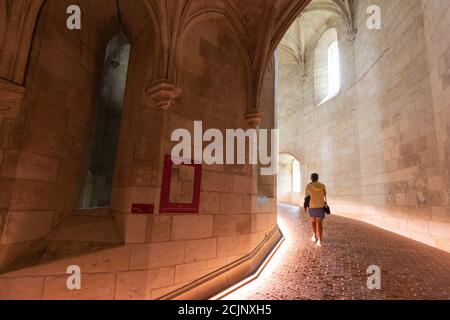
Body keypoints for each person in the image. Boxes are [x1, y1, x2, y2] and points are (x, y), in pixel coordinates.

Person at [304, 173, 327, 247]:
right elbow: (324, 195)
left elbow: (307, 197)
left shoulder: (308, 186)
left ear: (311, 178)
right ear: (317, 178)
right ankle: (319, 241)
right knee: (319, 224)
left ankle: (314, 236)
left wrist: (305, 206)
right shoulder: (322, 186)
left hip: (312, 206)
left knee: (313, 221)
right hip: (320, 206)